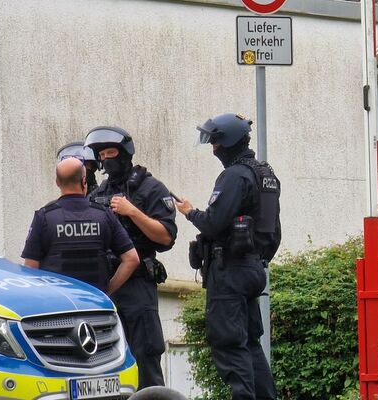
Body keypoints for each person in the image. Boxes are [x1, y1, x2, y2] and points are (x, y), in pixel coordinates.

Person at [175, 113, 280, 400]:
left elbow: (213, 222)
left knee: (230, 345)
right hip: (253, 268)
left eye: (216, 143)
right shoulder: (265, 174)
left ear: (229, 142)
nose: (214, 149)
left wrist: (190, 212)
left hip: (230, 273)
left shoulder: (234, 176)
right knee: (250, 344)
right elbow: (273, 232)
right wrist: (256, 258)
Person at [84, 126, 178, 389]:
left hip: (137, 286)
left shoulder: (151, 188)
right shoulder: (98, 193)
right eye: (101, 154)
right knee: (104, 361)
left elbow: (166, 237)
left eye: (111, 152)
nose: (106, 159)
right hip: (106, 286)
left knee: (145, 358)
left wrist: (132, 211)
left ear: (125, 153)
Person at [21, 157, 139, 296]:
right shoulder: (104, 215)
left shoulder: (44, 217)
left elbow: (30, 269)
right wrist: (106, 292)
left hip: (59, 305)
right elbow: (132, 259)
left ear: (57, 183)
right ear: (84, 182)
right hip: (96, 305)